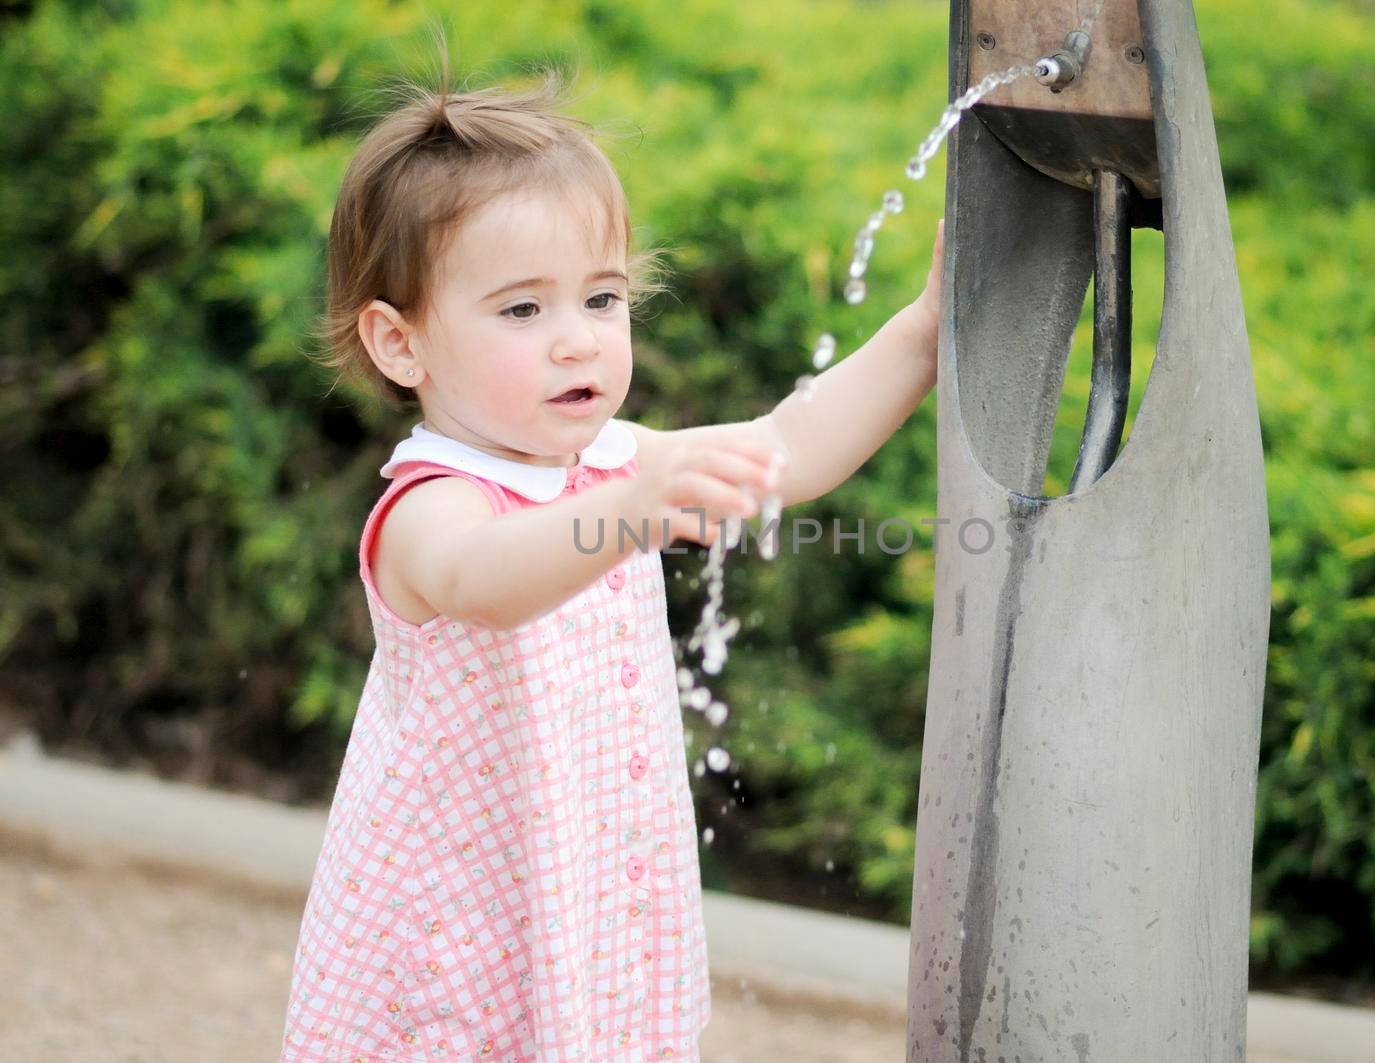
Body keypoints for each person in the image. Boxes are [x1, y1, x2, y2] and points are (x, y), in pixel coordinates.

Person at [279, 61, 942, 1063]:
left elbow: (784, 449)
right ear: (399, 343)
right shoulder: (432, 503)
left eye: (600, 298)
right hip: (454, 923)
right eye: (521, 311)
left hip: (584, 888)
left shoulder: (612, 463)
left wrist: (925, 333)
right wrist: (629, 506)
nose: (575, 343)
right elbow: (484, 580)